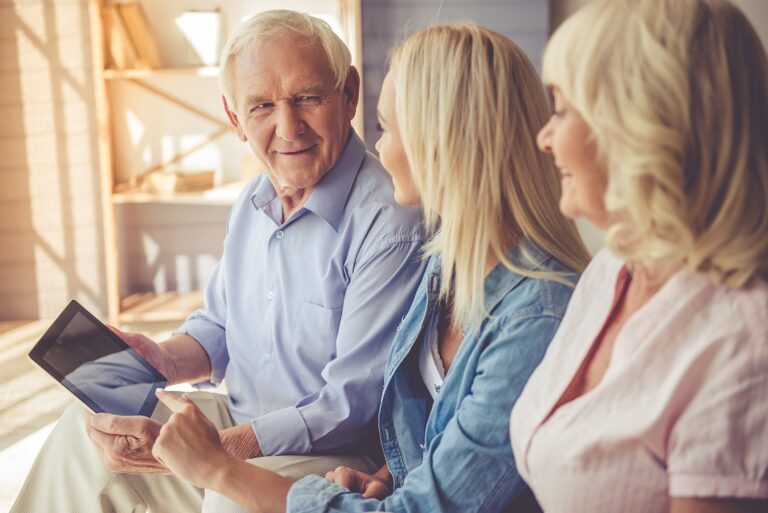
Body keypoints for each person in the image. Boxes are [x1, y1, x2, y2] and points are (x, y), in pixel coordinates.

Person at [148, 22, 592, 513]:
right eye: (262, 106)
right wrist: (383, 475)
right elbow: (429, 436)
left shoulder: (532, 318)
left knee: (227, 500)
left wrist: (219, 466)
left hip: (341, 461)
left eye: (389, 128)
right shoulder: (447, 265)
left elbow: (420, 500)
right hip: (360, 472)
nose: (377, 148)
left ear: (447, 144)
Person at [11, 10, 428, 513]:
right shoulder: (253, 201)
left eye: (307, 98)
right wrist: (160, 359)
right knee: (83, 437)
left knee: (228, 497)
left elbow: (351, 405)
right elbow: (218, 326)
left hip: (334, 452)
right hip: (240, 417)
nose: (287, 126)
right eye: (262, 107)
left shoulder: (390, 220)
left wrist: (213, 455)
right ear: (235, 119)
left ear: (349, 93)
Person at [509, 1, 768, 512]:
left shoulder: (742, 343)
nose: (544, 138)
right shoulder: (612, 268)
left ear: (638, 124)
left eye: (560, 109)